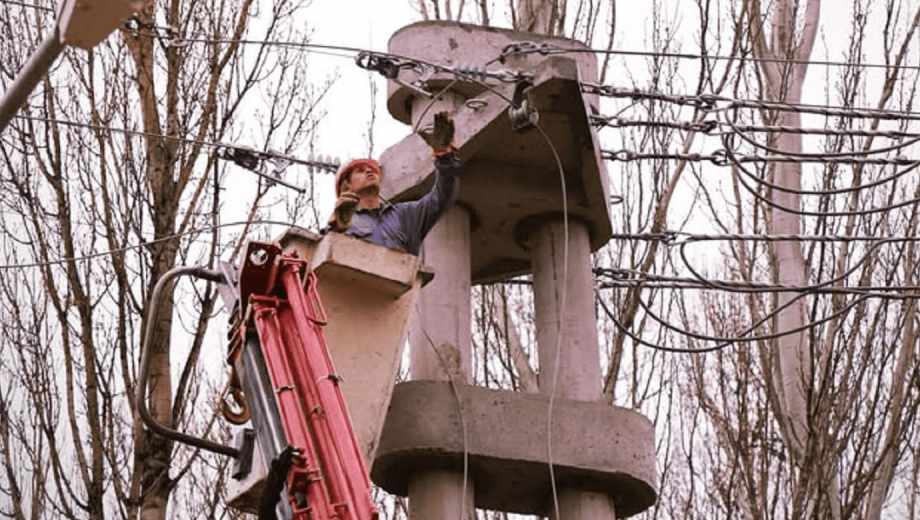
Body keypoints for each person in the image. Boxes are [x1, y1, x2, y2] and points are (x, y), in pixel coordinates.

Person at [326, 112, 462, 256]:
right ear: (346, 186)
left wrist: (444, 155)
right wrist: (337, 230)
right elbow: (324, 261)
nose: (369, 172)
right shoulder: (343, 219)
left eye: (372, 170)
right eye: (360, 171)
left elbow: (441, 198)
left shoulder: (404, 215)